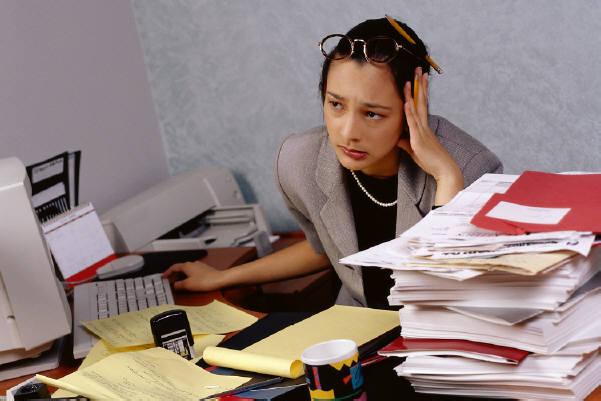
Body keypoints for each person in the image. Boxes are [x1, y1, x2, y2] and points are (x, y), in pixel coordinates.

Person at [163, 17, 503, 309]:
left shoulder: (471, 168)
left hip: (440, 342)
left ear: (414, 106)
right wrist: (223, 277)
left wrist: (446, 177)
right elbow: (325, 247)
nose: (348, 132)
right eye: (336, 105)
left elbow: (449, 296)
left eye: (372, 113)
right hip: (357, 335)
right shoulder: (299, 161)